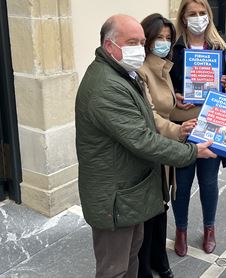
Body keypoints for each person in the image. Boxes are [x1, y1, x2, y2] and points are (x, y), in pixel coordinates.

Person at [75, 14, 215, 278]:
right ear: (109, 46)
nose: (139, 48)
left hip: (129, 192)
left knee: (131, 260)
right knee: (114, 269)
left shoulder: (122, 73)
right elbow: (142, 139)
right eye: (132, 42)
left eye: (141, 42)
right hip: (114, 198)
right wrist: (191, 151)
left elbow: (149, 117)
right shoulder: (107, 86)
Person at [136, 13, 196, 278]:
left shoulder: (163, 66)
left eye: (168, 38)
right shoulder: (141, 70)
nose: (163, 42)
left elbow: (168, 109)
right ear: (146, 39)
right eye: (158, 37)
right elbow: (150, 115)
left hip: (164, 152)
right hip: (152, 152)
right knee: (149, 214)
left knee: (161, 209)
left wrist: (210, 110)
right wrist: (180, 130)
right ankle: (145, 266)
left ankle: (159, 259)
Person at [169, 0, 226, 256]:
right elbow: (162, 87)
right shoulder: (173, 50)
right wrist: (175, 97)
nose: (197, 18)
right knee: (181, 184)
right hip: (182, 126)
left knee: (208, 182)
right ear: (183, 17)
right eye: (191, 14)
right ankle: (180, 230)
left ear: (209, 15)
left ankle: (209, 229)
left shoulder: (220, 49)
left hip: (212, 126)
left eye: (201, 13)